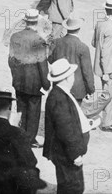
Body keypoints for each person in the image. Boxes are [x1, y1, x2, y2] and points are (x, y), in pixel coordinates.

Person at [43, 59, 91, 194]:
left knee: (71, 186)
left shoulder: (60, 93)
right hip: (67, 154)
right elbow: (65, 129)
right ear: (67, 78)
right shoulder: (59, 98)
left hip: (66, 152)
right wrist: (75, 154)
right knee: (73, 188)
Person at [8, 9, 50, 146]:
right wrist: (46, 84)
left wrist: (16, 76)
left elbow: (11, 60)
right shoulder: (39, 40)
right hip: (34, 83)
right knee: (33, 112)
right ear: (37, 22)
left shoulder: (15, 37)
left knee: (21, 108)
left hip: (19, 82)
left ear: (25, 21)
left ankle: (20, 136)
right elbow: (42, 64)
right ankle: (30, 139)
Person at [93, 0, 112, 133]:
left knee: (106, 94)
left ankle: (102, 120)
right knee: (108, 95)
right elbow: (105, 52)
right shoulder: (111, 28)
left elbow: (95, 43)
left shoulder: (100, 23)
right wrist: (106, 71)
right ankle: (105, 122)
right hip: (108, 68)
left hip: (102, 65)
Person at [50, 17, 96, 104]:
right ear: (79, 29)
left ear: (67, 28)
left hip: (59, 86)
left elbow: (51, 60)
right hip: (77, 90)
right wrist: (91, 89)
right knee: (74, 116)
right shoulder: (83, 47)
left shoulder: (56, 43)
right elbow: (87, 72)